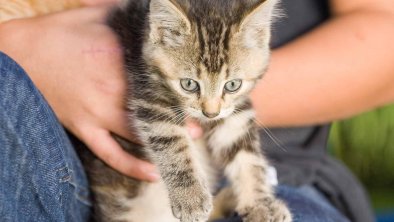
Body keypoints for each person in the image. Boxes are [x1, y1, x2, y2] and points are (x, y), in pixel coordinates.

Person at [1, 0, 393, 221]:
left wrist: (215, 108)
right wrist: (20, 45)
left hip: (279, 174)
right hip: (67, 160)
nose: (211, 107)